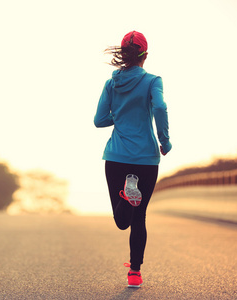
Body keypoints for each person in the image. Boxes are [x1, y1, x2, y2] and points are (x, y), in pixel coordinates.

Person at [94, 31, 172, 288]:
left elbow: (99, 120)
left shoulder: (111, 84)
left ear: (123, 55)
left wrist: (119, 116)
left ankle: (127, 196)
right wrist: (165, 140)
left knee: (121, 221)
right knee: (140, 219)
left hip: (116, 157)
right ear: (145, 56)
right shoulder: (152, 81)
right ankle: (135, 273)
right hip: (146, 160)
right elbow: (160, 108)